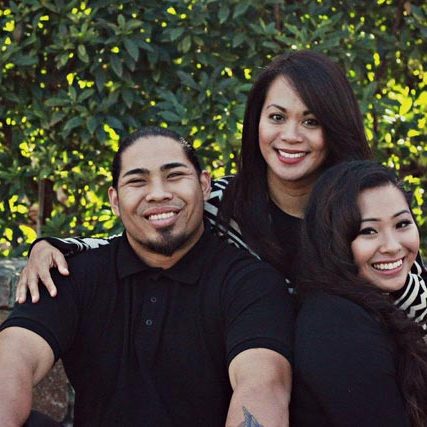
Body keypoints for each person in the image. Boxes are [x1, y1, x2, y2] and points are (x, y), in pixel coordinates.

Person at [16, 50, 427, 324]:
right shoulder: (221, 202)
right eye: (277, 117)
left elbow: (415, 296)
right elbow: (138, 241)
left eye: (311, 121)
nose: (290, 136)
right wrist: (54, 246)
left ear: (333, 128)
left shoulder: (364, 206)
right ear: (256, 122)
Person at [0, 127, 295, 426]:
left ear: (204, 185)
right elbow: (14, 357)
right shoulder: (73, 274)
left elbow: (262, 385)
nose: (158, 194)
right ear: (115, 200)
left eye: (175, 176)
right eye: (137, 181)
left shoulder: (250, 283)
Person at [290, 160, 427, 426]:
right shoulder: (334, 323)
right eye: (368, 231)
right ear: (333, 242)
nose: (392, 246)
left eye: (401, 224)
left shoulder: (392, 302)